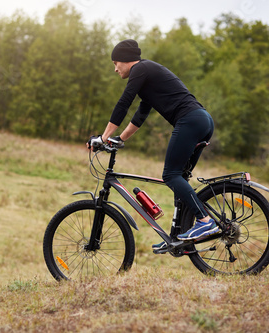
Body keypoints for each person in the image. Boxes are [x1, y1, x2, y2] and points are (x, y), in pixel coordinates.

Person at [87, 39, 219, 250]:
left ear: (126, 60)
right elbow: (140, 115)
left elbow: (124, 103)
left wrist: (103, 138)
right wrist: (120, 139)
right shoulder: (148, 75)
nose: (115, 69)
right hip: (202, 120)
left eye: (115, 63)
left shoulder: (141, 68)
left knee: (170, 175)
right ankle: (178, 238)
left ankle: (205, 221)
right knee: (180, 178)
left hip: (190, 120)